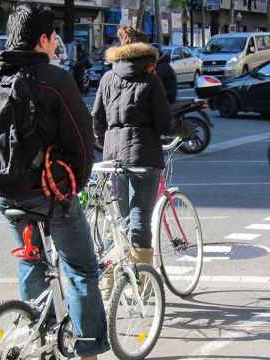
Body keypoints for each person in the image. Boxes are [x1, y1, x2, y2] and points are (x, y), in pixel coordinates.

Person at [0, 5, 109, 359]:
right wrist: (73, 187)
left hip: (3, 192)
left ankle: (42, 338)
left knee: (30, 261)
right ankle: (89, 352)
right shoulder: (53, 79)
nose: (55, 45)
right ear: (42, 39)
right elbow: (82, 146)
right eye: (53, 38)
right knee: (81, 269)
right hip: (50, 195)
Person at [91, 26, 176, 299]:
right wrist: (175, 130)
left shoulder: (107, 78)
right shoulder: (151, 81)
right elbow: (164, 122)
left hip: (112, 155)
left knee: (116, 218)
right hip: (144, 156)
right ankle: (142, 283)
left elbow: (97, 118)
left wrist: (105, 142)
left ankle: (108, 281)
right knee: (140, 216)